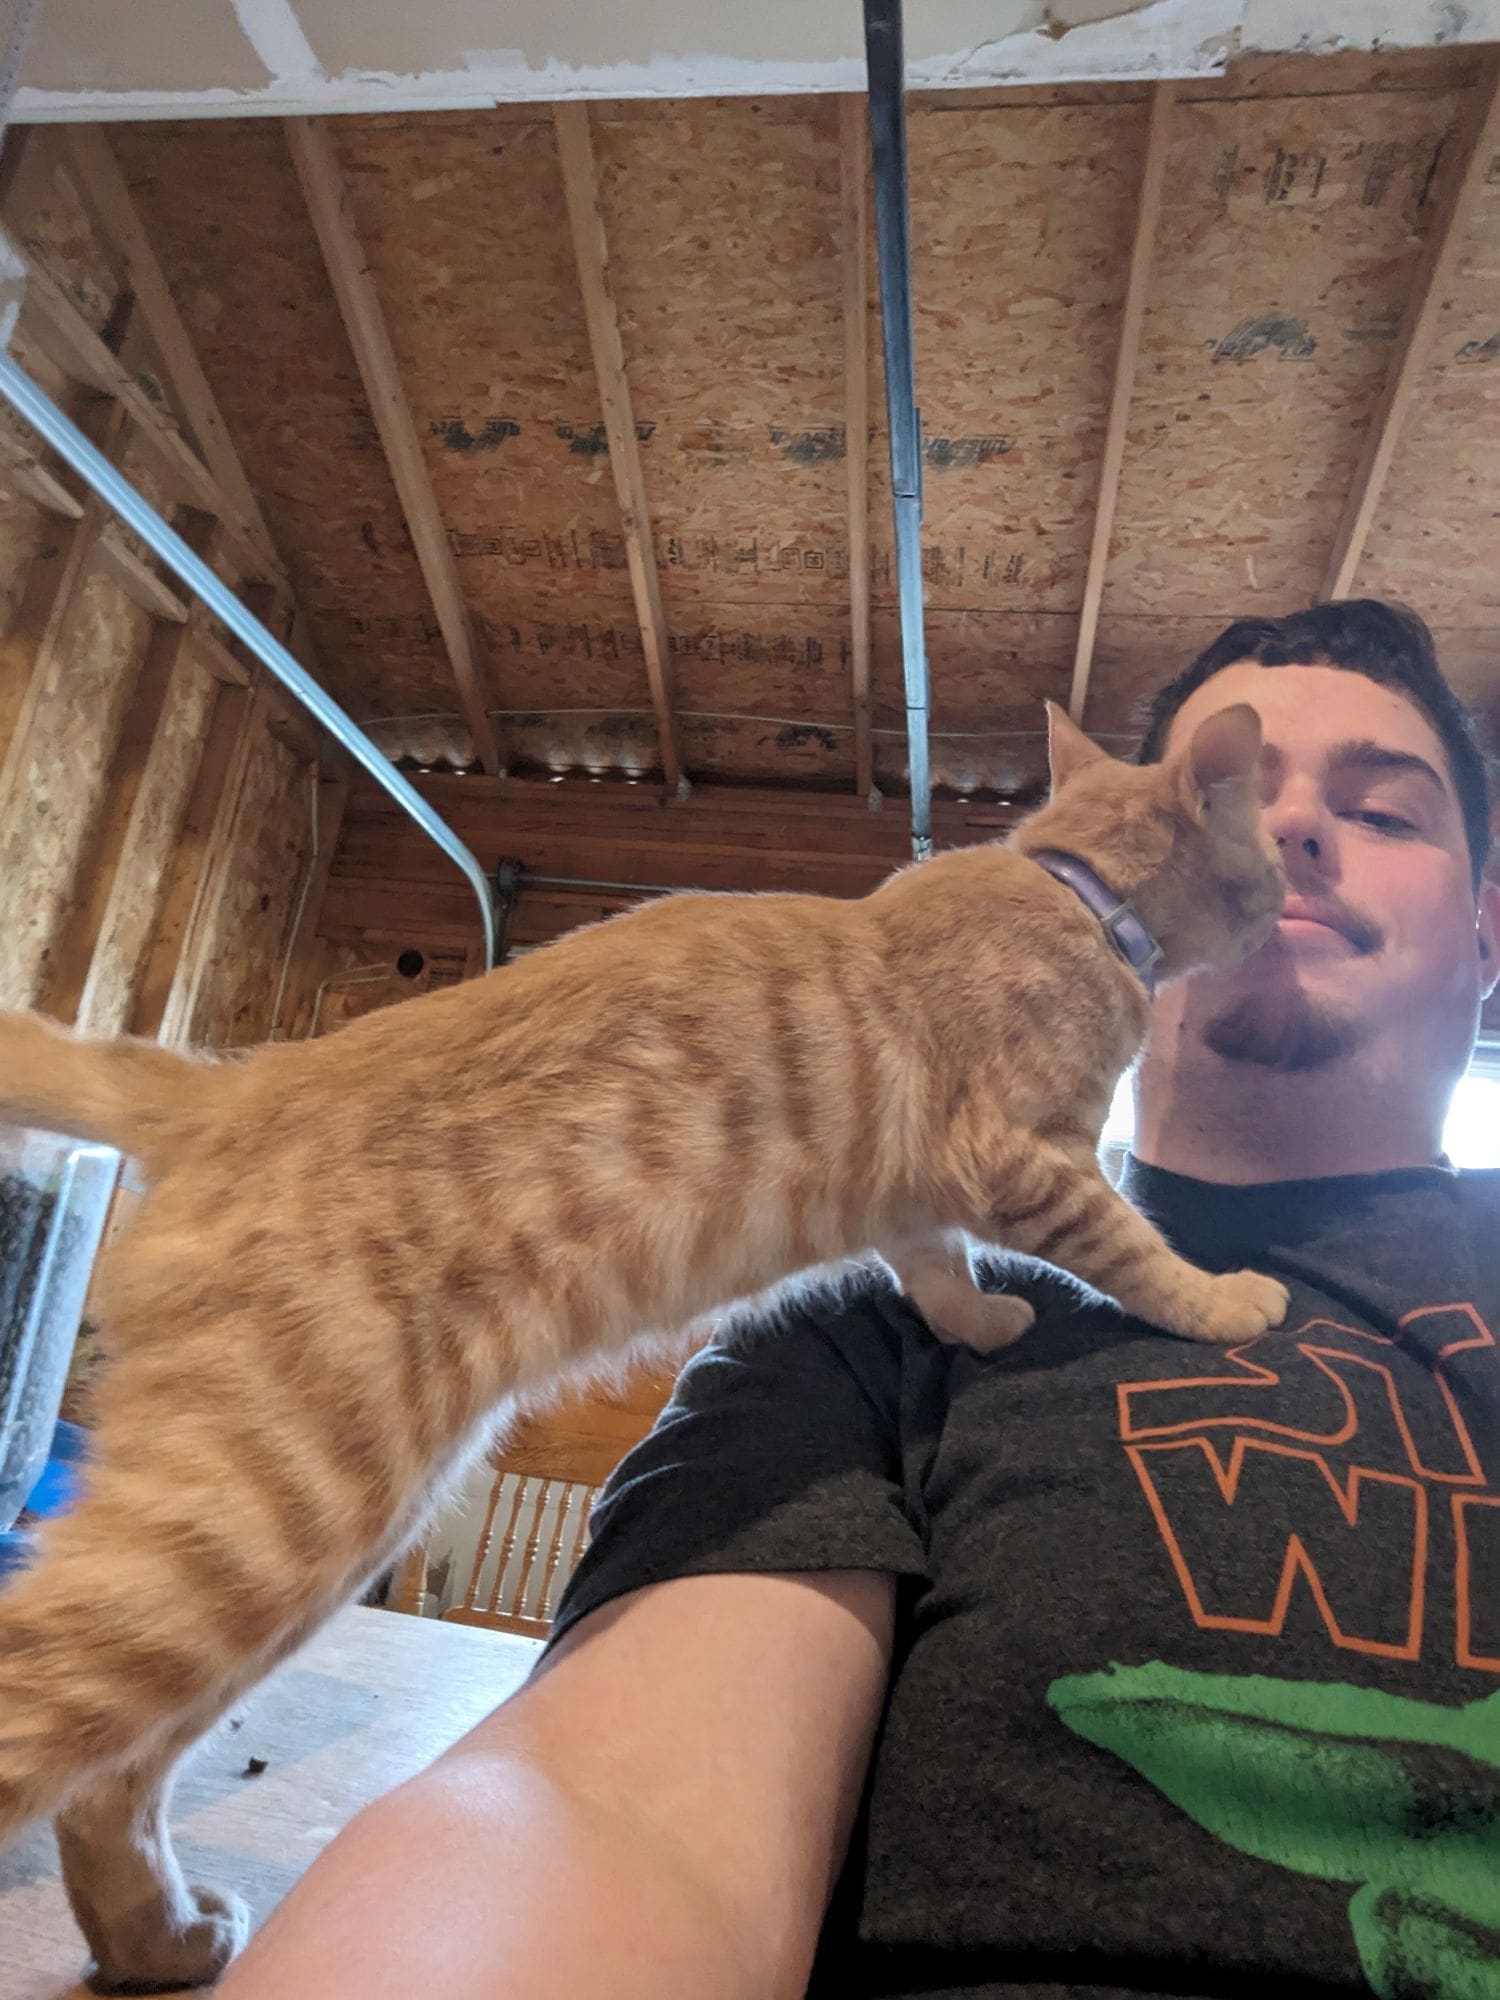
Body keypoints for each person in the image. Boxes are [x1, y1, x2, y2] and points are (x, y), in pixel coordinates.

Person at [222, 599, 1500, 2000]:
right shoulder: (879, 1293)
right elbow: (612, 1807)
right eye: (1239, 791)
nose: (1292, 825)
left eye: (1383, 811)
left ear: (1488, 926)